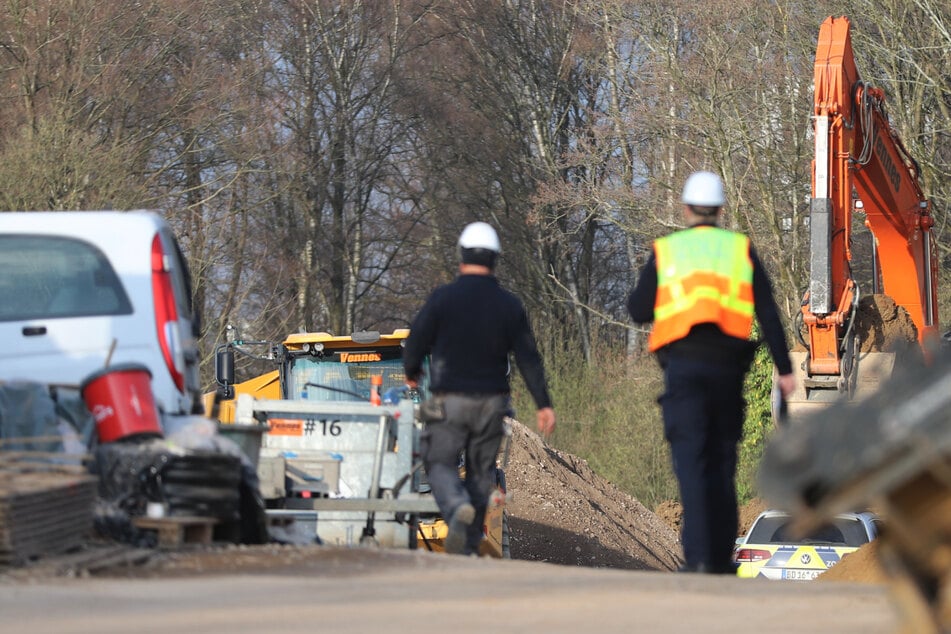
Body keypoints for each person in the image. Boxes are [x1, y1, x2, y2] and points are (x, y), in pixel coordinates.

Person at [627, 171, 796, 574]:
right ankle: (720, 561)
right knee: (722, 465)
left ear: (686, 209)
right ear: (721, 210)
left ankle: (698, 558)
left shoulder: (667, 251)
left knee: (691, 465)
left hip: (683, 374)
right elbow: (768, 313)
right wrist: (785, 369)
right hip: (727, 373)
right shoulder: (740, 250)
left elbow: (637, 309)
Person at [404, 221, 556, 555]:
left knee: (439, 461)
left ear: (461, 256)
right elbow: (529, 359)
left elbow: (416, 340)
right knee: (480, 472)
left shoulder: (443, 299)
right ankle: (469, 545)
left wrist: (412, 372)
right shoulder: (509, 305)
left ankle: (455, 504)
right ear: (495, 259)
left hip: (451, 401)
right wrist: (544, 404)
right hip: (492, 403)